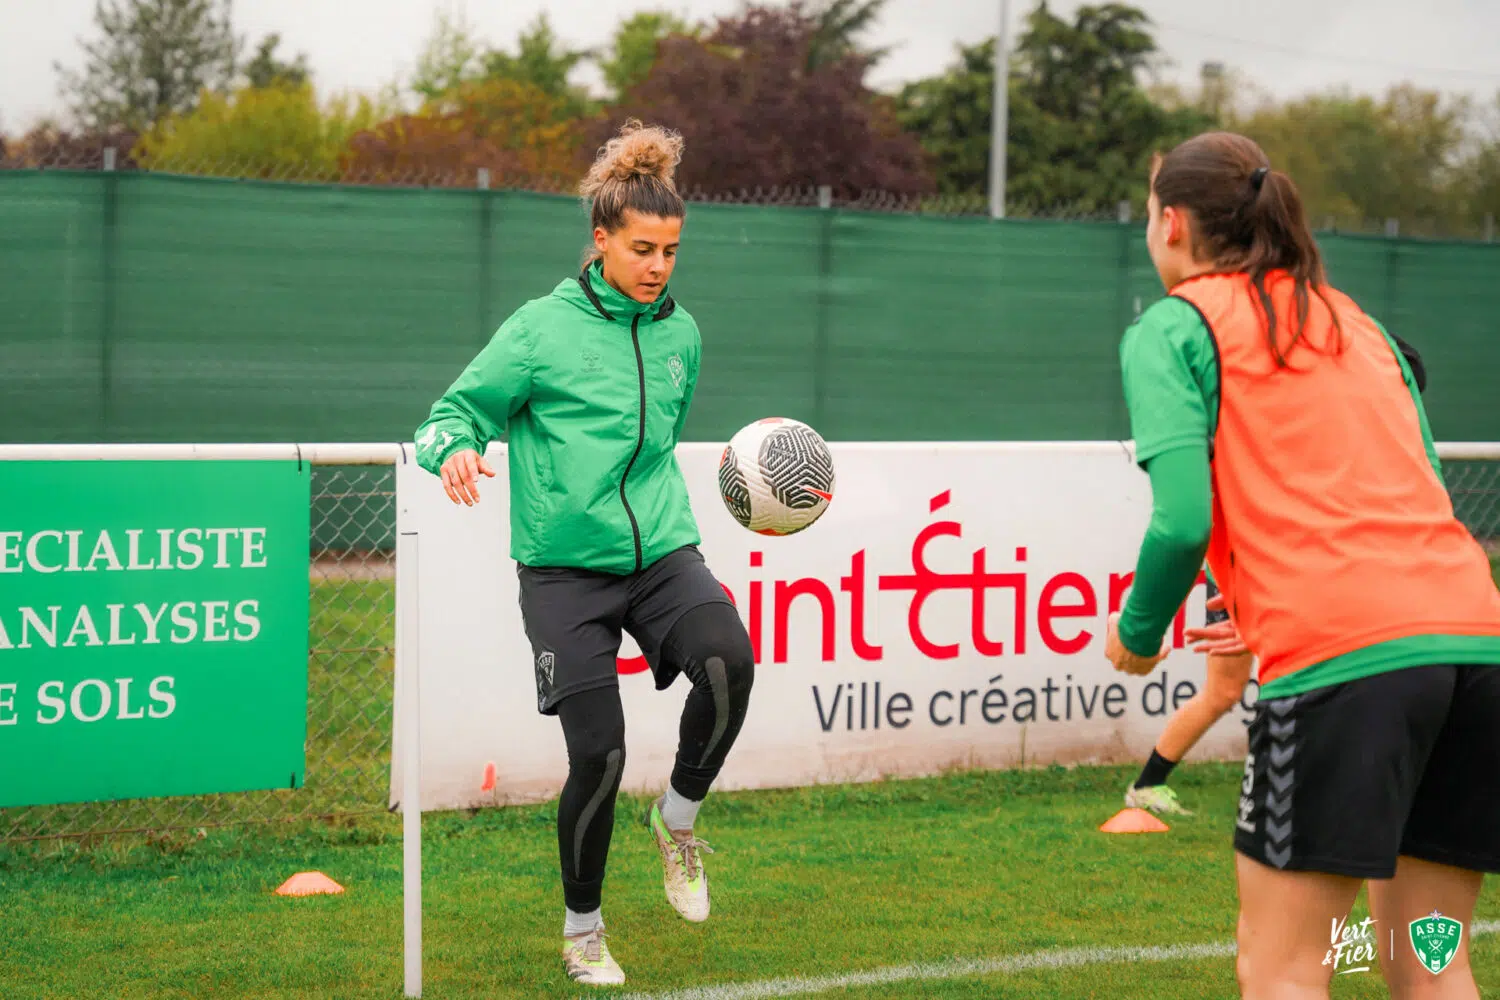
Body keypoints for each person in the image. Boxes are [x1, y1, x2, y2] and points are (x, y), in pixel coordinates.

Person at [1103, 130, 1500, 1000]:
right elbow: (1418, 493)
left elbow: (1178, 525)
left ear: (1170, 224)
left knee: (1283, 967)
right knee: (1431, 961)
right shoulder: (1356, 320)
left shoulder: (1174, 327)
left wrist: (1135, 636)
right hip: (1474, 652)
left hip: (1344, 670)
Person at [413, 120, 755, 988]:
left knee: (728, 662)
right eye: (642, 249)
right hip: (565, 572)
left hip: (662, 554)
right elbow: (453, 414)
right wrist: (453, 447)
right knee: (597, 752)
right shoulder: (538, 330)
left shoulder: (684, 336)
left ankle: (678, 824)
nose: (657, 267)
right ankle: (582, 928)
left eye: (672, 251)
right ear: (600, 240)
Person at [1127, 337, 1431, 817]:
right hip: (1255, 580)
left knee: (1267, 686)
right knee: (1236, 689)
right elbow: (1188, 532)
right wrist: (1154, 618)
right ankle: (1153, 784)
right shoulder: (1275, 437)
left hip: (1300, 590)